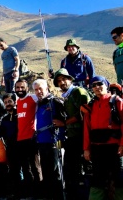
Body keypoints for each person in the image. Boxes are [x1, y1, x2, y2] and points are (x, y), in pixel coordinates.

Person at [82, 75, 123, 199]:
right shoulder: (90, 106)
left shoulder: (117, 101)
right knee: (97, 179)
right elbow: (87, 129)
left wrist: (122, 144)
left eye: (100, 84)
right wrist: (86, 148)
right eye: (93, 85)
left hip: (115, 148)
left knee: (119, 178)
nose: (96, 87)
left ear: (107, 85)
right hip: (97, 148)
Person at [53, 68, 91, 199]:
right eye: (59, 81)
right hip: (72, 136)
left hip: (83, 136)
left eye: (64, 79)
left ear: (70, 79)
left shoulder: (78, 92)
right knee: (70, 169)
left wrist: (64, 123)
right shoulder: (67, 96)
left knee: (85, 169)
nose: (62, 82)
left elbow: (84, 113)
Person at [33, 78, 66, 200]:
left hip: (54, 141)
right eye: (36, 90)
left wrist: (62, 129)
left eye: (40, 89)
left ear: (46, 88)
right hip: (42, 142)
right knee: (46, 172)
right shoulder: (39, 104)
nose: (38, 92)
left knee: (56, 173)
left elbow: (64, 120)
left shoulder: (55, 101)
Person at [14, 79, 42, 198]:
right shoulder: (18, 101)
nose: (20, 89)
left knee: (35, 166)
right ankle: (30, 192)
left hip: (32, 138)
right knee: (25, 168)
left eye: (22, 87)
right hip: (20, 139)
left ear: (27, 89)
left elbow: (43, 99)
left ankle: (40, 192)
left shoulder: (33, 98)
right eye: (17, 87)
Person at [0, 93, 20, 196]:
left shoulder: (20, 115)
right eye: (5, 102)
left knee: (26, 169)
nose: (8, 104)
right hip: (10, 147)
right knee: (13, 170)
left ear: (14, 102)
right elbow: (1, 133)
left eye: (10, 101)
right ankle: (15, 192)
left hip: (22, 146)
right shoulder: (4, 119)